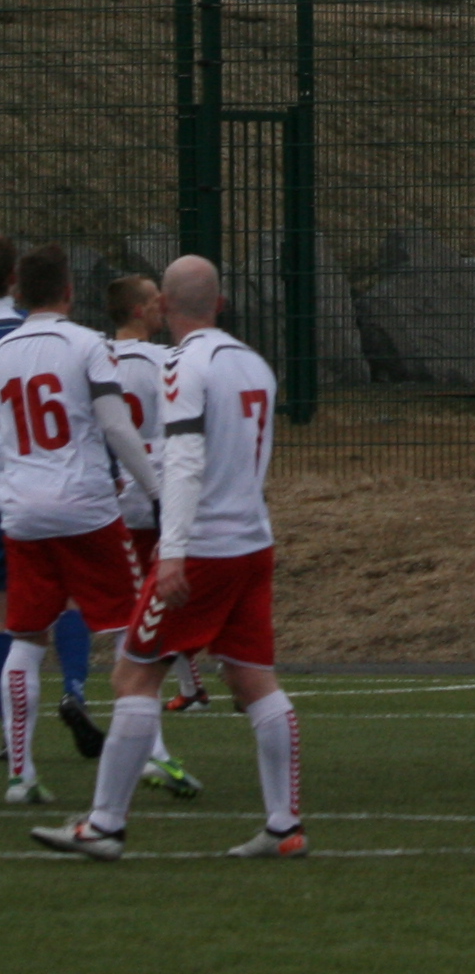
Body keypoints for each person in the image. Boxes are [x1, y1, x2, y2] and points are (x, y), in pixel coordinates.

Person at [30, 255, 281, 862]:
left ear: (164, 306)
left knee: (128, 664)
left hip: (167, 525)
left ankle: (101, 816)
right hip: (237, 533)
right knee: (245, 676)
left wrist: (171, 539)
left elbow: (172, 453)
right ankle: (284, 820)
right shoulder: (247, 362)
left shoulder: (157, 361)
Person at [1, 247, 163, 808]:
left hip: (23, 512)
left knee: (26, 636)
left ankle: (21, 774)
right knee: (127, 626)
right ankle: (150, 753)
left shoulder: (3, 350)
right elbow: (116, 426)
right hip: (86, 507)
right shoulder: (87, 344)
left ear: (20, 292)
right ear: (69, 291)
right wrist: (156, 491)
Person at [92, 279, 201, 805]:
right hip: (158, 494)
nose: (163, 303)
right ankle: (153, 741)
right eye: (154, 296)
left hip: (112, 497)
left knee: (134, 612)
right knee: (152, 613)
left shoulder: (96, 358)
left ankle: (168, 710)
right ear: (139, 309)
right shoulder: (166, 360)